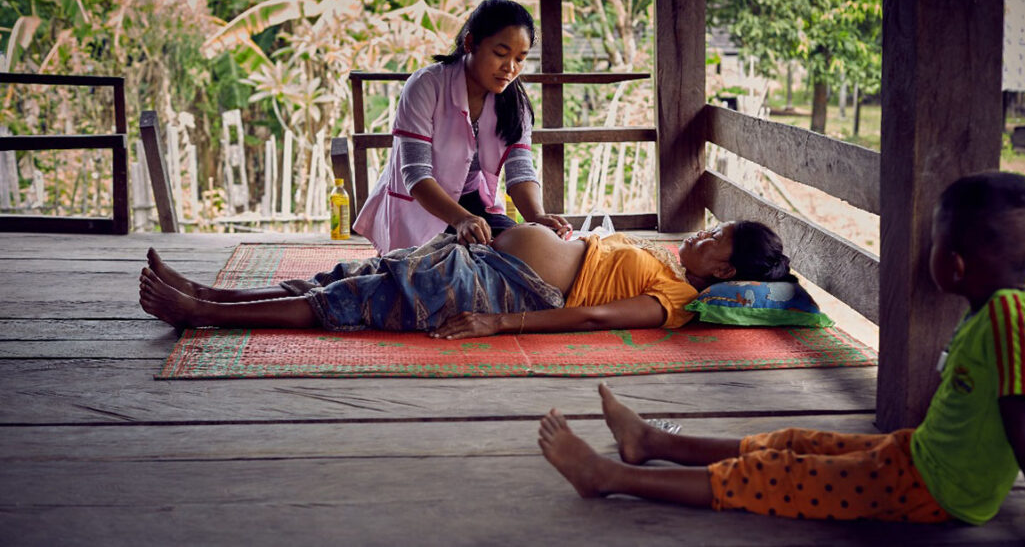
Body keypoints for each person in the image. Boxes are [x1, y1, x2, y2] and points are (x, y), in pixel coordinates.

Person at [537, 172, 1025, 543]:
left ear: (953, 263)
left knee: (780, 475)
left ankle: (609, 477)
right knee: (795, 442)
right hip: (919, 457)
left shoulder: (1009, 319)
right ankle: (651, 441)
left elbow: (1023, 429)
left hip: (934, 490)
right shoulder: (1012, 292)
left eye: (932, 240)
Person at [138, 220, 793, 336]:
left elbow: (592, 316)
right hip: (487, 262)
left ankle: (204, 314)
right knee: (355, 274)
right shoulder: (667, 264)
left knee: (355, 301)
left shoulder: (673, 302)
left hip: (502, 292)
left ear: (725, 272)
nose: (699, 238)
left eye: (714, 241)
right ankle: (210, 294)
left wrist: (500, 321)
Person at [353, 0, 570, 254]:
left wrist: (537, 218)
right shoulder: (426, 85)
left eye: (520, 59)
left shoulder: (515, 103)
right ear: (470, 43)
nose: (510, 68)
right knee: (434, 271)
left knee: (529, 249)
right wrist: (461, 220)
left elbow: (520, 169)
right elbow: (416, 175)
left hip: (471, 207)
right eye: (500, 54)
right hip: (419, 206)